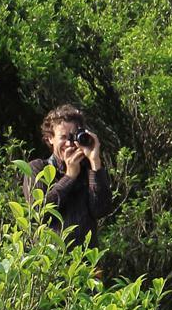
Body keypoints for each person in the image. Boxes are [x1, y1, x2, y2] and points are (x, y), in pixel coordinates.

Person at [24, 104, 115, 248]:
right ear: (50, 139)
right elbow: (39, 213)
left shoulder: (89, 169)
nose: (69, 143)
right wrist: (70, 176)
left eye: (73, 137)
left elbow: (102, 210)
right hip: (51, 262)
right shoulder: (38, 168)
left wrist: (95, 161)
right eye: (63, 137)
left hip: (86, 261)